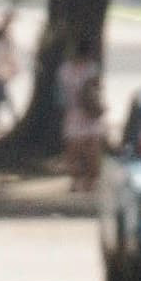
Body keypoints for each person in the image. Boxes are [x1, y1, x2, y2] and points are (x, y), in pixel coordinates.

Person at [59, 49, 105, 191]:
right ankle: (75, 180)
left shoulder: (92, 69)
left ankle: (90, 181)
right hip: (74, 113)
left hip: (89, 114)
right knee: (73, 149)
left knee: (92, 150)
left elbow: (97, 89)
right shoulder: (65, 70)